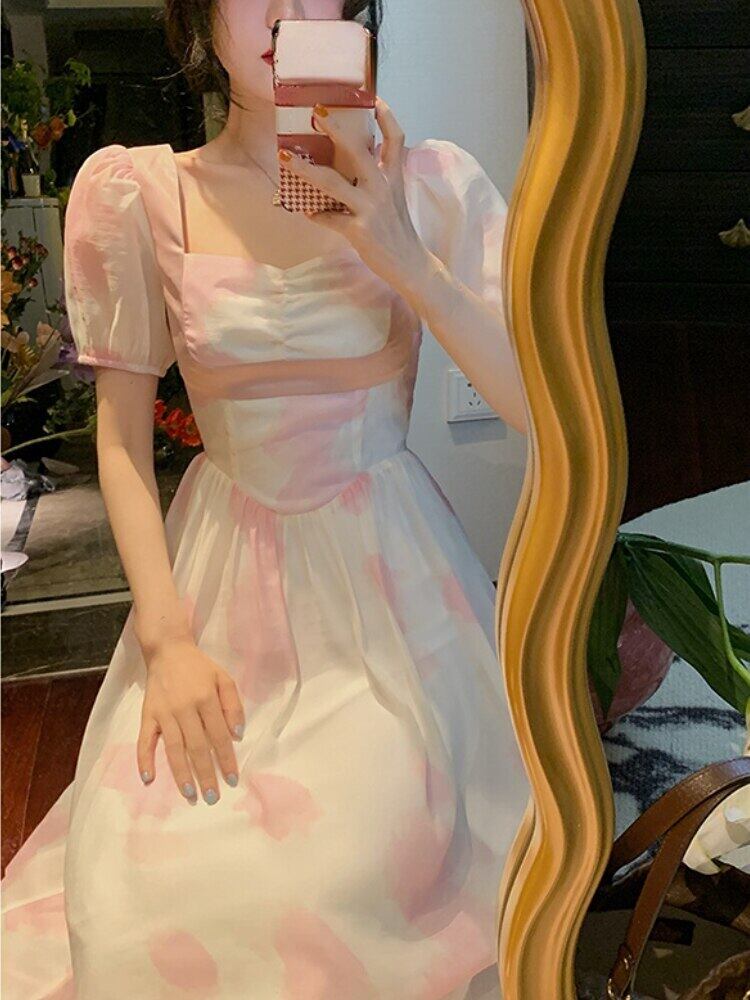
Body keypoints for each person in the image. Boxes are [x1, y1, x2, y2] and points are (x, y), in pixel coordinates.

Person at [1, 1, 531, 996]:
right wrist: (165, 641)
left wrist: (405, 256)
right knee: (141, 893)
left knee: (354, 872)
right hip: (215, 588)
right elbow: (119, 440)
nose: (290, 10)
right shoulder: (143, 194)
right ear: (199, 12)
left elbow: (538, 407)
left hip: (389, 591)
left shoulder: (429, 184)